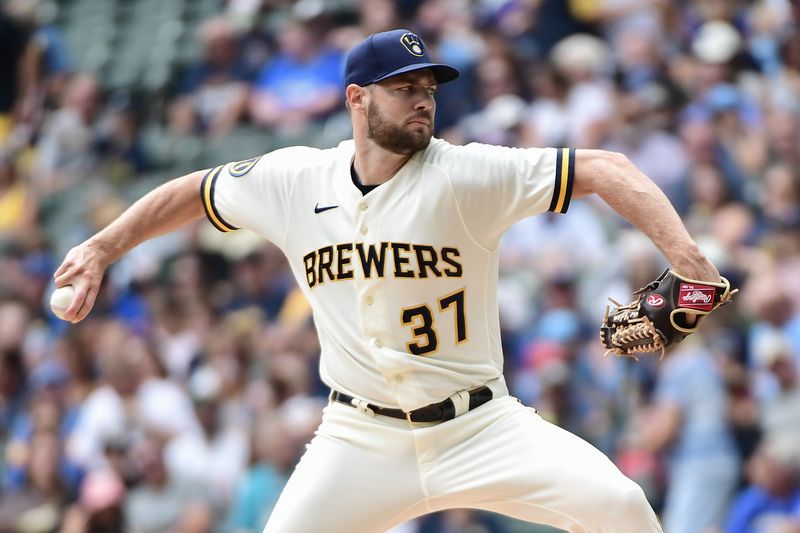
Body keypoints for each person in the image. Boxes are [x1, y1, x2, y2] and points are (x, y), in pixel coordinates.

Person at [53, 29, 723, 533]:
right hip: (358, 437)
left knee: (622, 505)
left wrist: (684, 252)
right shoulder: (296, 180)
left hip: (481, 426)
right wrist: (104, 245)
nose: (423, 102)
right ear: (357, 98)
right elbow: (197, 192)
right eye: (405, 88)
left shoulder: (466, 173)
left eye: (429, 89)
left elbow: (604, 167)